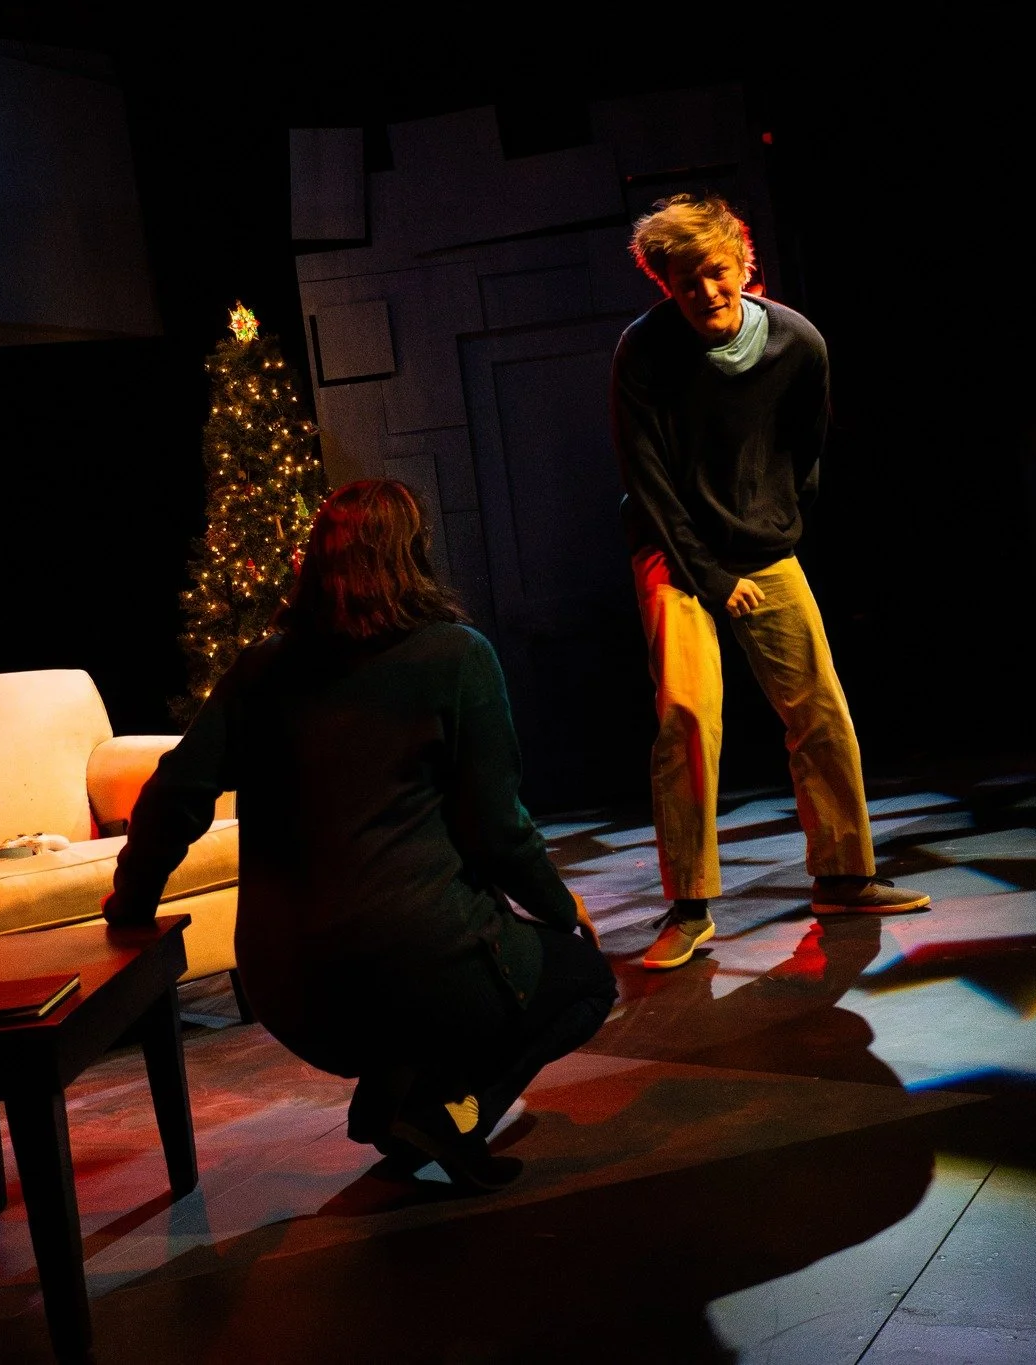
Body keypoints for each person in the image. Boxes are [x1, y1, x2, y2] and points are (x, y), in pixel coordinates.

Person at [103, 479, 615, 1189]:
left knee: (418, 969)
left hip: (291, 992)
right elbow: (498, 830)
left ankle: (398, 1095)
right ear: (414, 558)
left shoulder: (262, 669)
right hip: (417, 966)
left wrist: (130, 905)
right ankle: (448, 1110)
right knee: (585, 981)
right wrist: (563, 909)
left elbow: (173, 795)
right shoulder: (457, 657)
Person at [612, 194, 931, 973]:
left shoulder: (797, 343)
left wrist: (773, 531)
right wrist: (712, 578)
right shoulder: (644, 352)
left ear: (743, 264)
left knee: (819, 705)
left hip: (760, 543)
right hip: (673, 547)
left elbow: (805, 451)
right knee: (687, 712)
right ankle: (689, 906)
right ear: (667, 286)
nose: (706, 293)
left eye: (716, 273)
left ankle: (845, 876)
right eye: (685, 283)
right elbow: (647, 481)